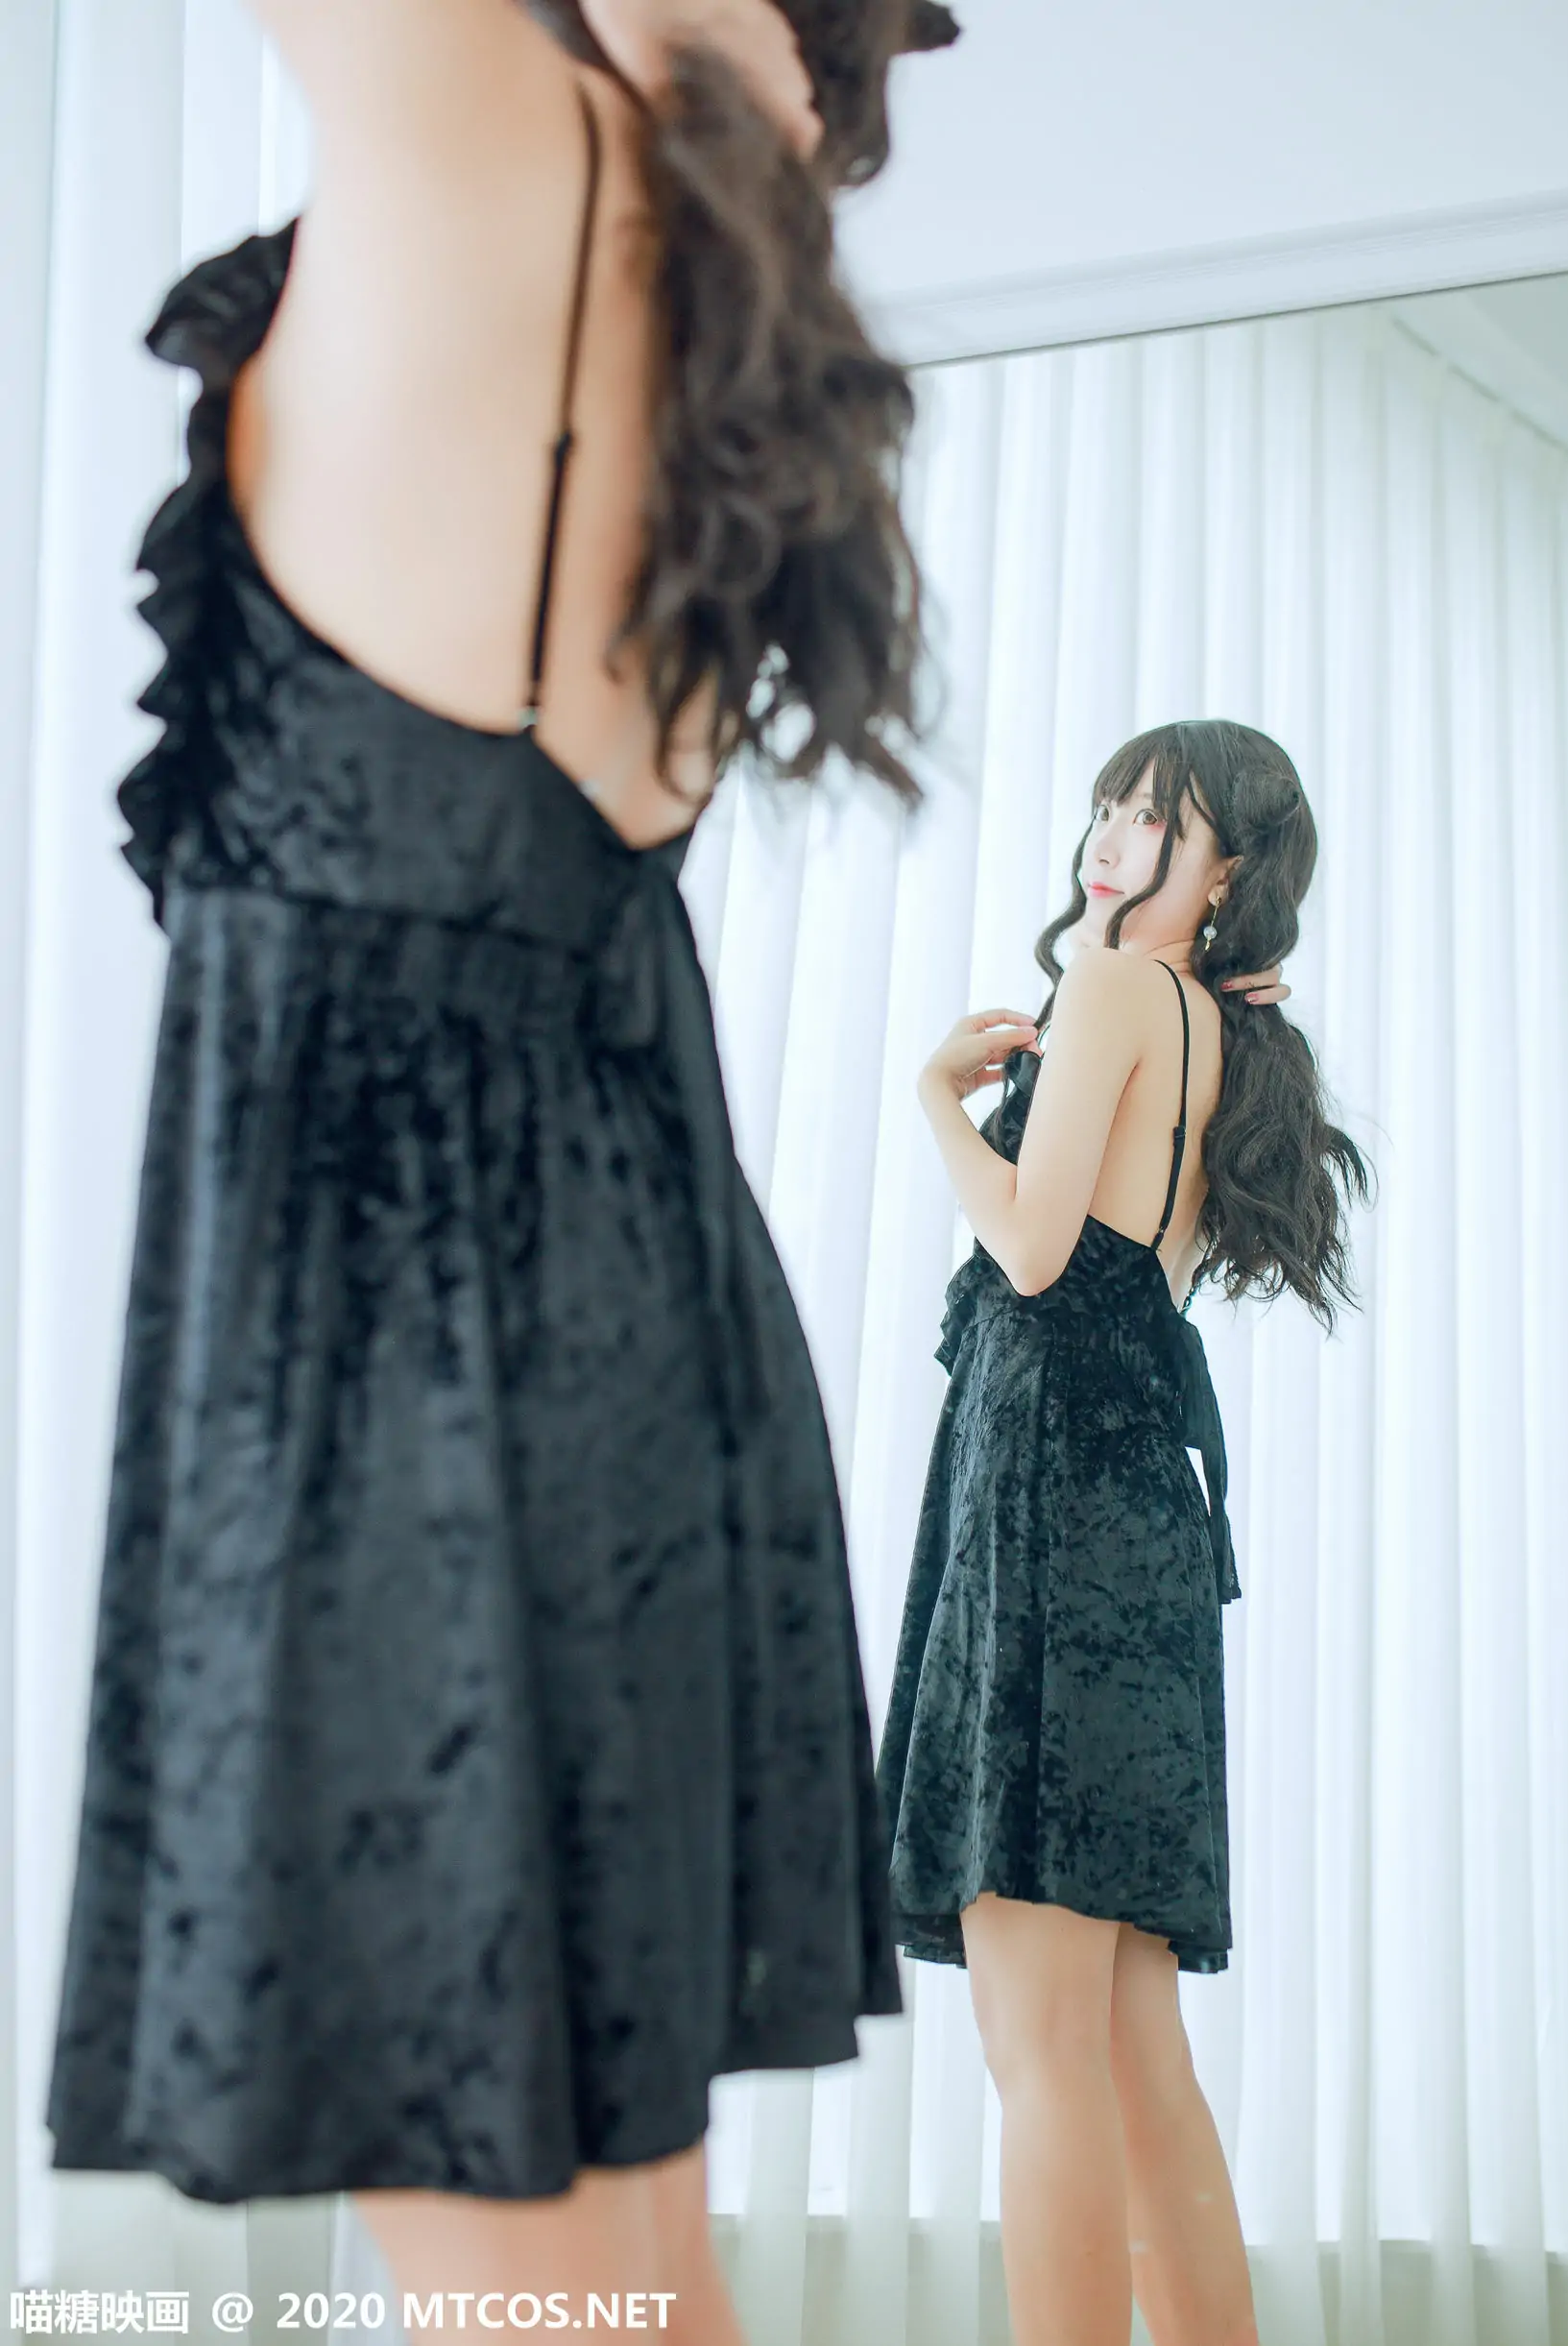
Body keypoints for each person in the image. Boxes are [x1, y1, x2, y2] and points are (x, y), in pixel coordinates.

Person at [46, 0, 957, 2334]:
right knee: (611, 2278)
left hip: (414, 1373)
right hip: (609, 1321)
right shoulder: (683, 229)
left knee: (540, 2293)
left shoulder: (511, 143)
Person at [877, 719, 1369, 2346]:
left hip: (1051, 1504)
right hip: (1140, 1509)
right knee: (1134, 2054)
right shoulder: (1223, 1030)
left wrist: (936, 1099)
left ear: (1225, 869)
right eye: (1109, 802)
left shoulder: (1110, 994)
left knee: (1041, 2052)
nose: (1110, 830)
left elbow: (1030, 1253)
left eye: (1157, 815)